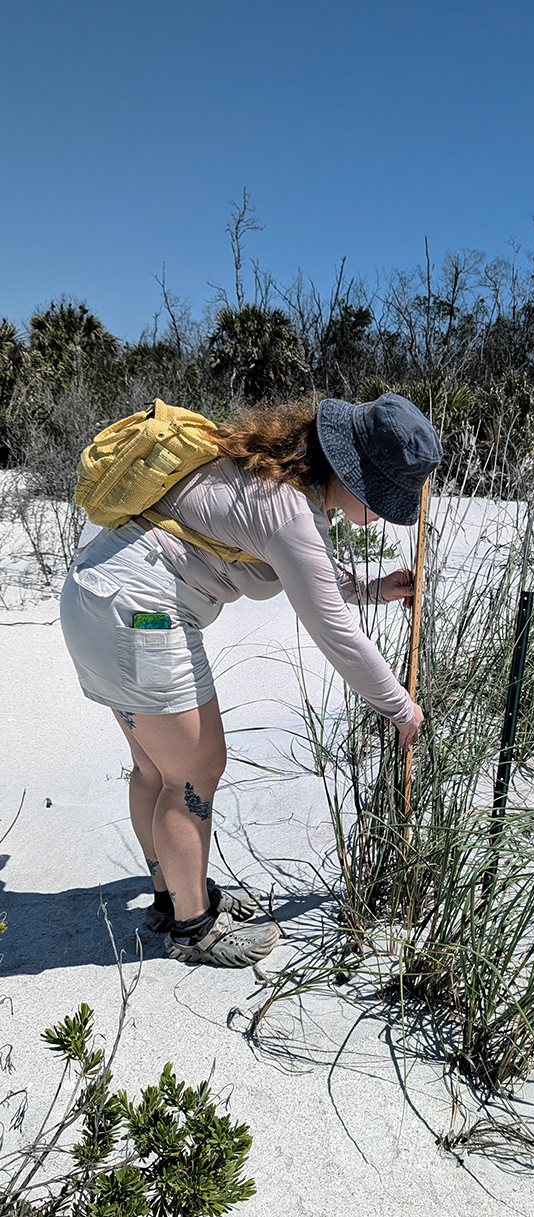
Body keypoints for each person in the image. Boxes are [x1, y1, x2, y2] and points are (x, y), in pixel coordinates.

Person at [60, 392, 442, 968]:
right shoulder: (290, 510)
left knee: (156, 769)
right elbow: (336, 633)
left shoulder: (267, 471)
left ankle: (172, 897)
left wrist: (370, 587)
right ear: (354, 477)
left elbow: (299, 567)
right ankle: (194, 930)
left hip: (97, 600)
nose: (385, 515)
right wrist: (400, 708)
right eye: (385, 499)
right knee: (197, 770)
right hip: (140, 617)